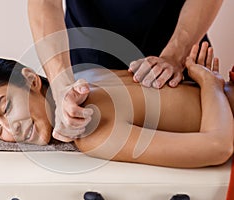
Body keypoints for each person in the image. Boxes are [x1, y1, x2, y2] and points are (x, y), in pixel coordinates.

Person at [0, 44, 233, 168]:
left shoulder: (91, 131)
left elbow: (219, 147)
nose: (10, 129)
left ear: (31, 80)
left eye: (6, 108)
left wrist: (210, 84)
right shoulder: (84, 75)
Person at [27, 0, 223, 141]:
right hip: (91, 62)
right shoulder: (89, 114)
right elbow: (44, 3)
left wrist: (176, 55)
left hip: (177, 60)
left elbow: (217, 145)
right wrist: (61, 84)